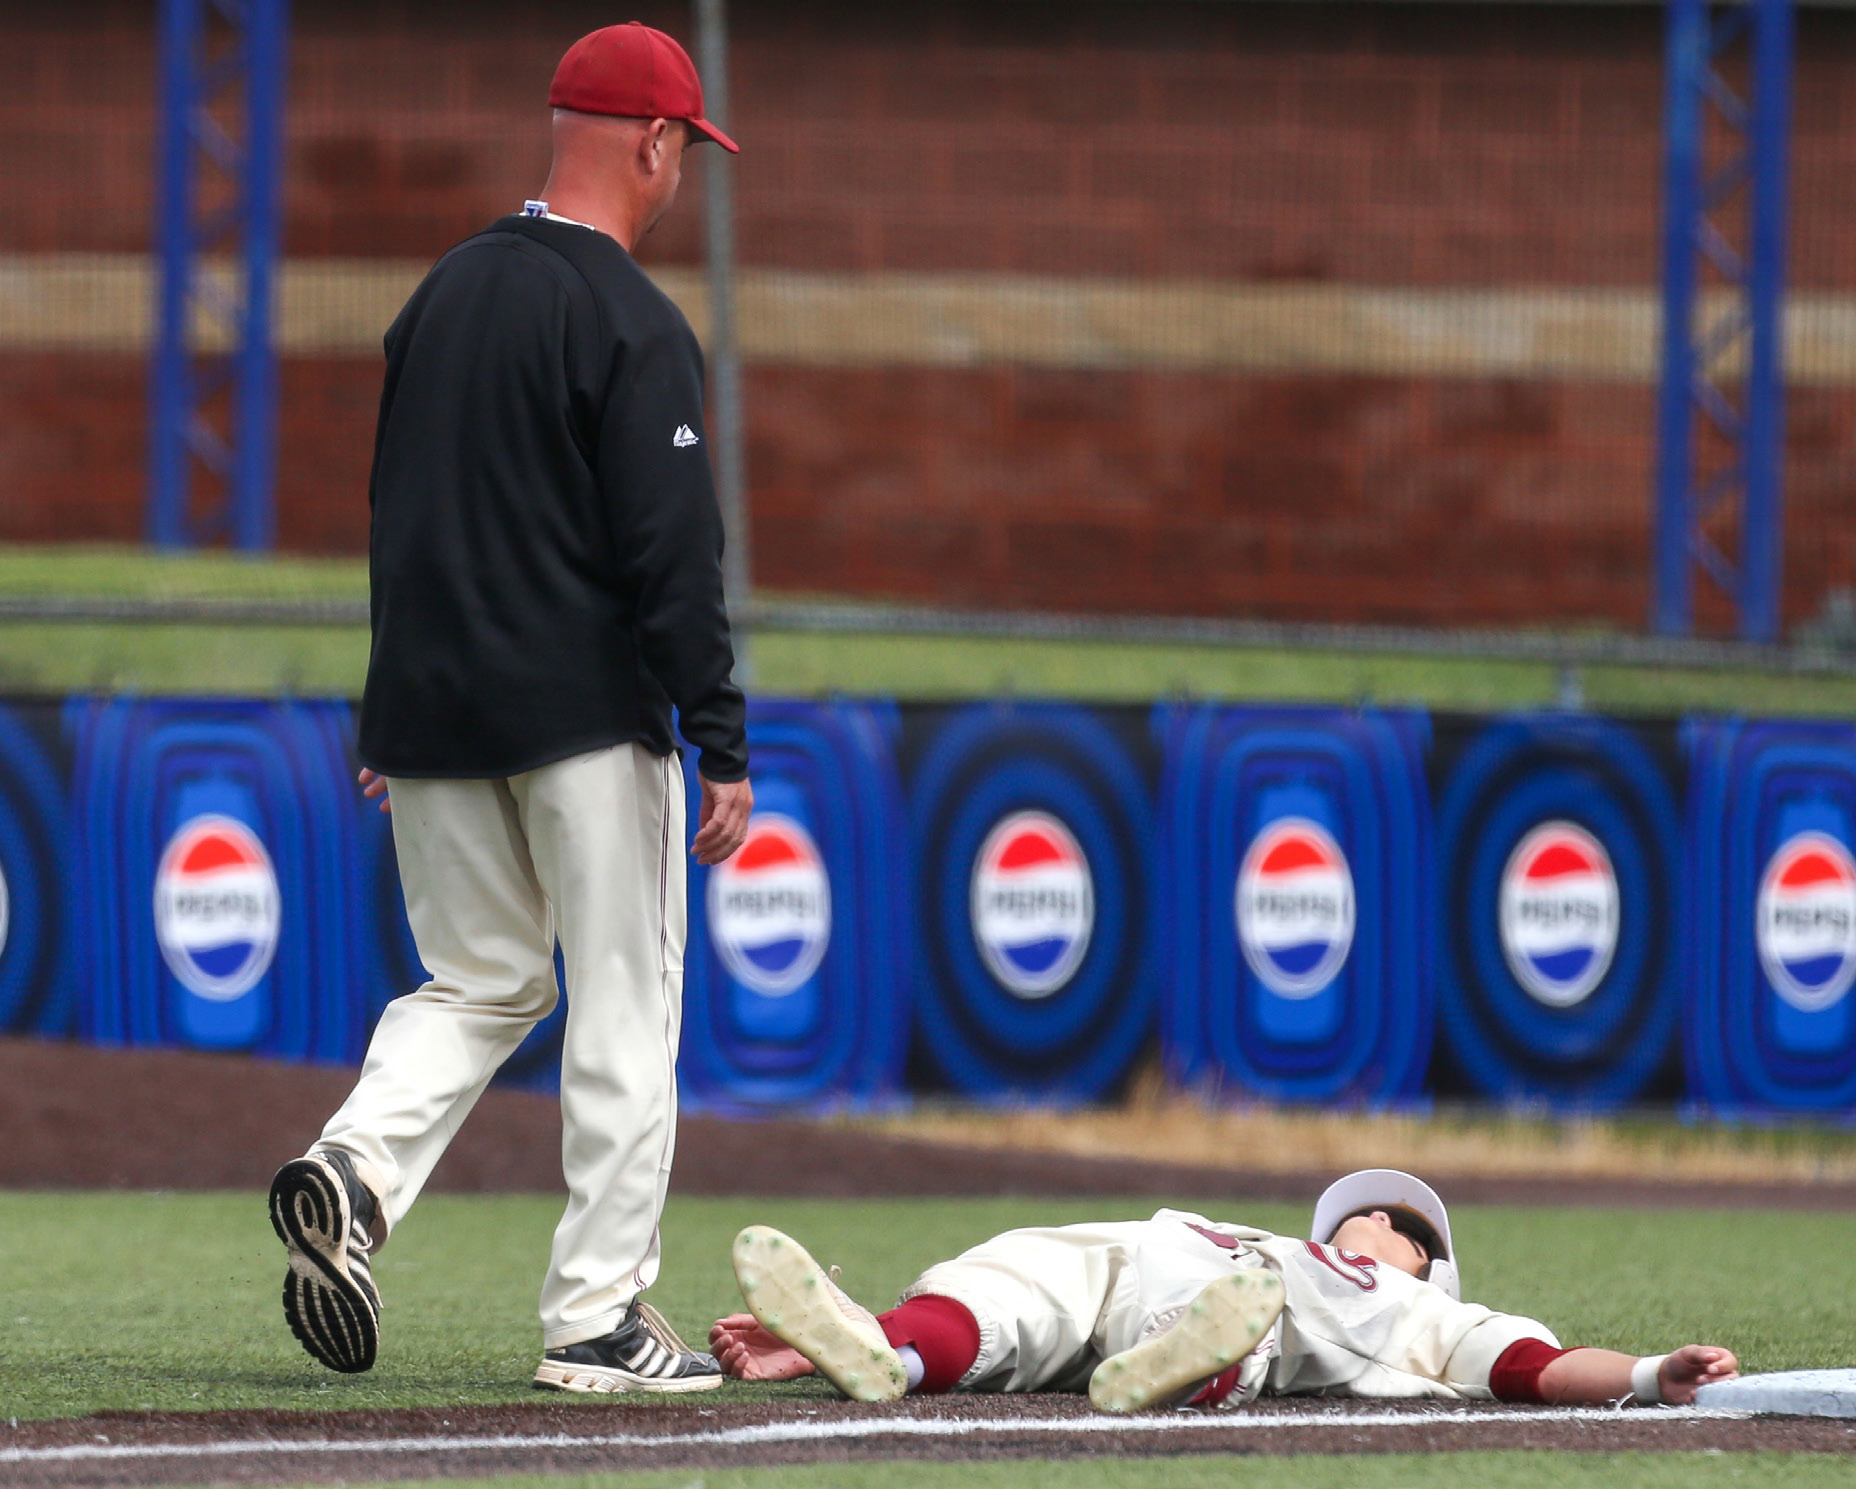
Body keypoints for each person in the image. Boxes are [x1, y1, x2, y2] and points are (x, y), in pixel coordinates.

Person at [267, 22, 750, 1395]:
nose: (679, 179)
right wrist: (717, 735)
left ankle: (352, 1174)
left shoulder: (439, 296)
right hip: (583, 721)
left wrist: (388, 706)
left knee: (476, 979)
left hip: (433, 711)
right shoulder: (632, 321)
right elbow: (673, 558)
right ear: (655, 143)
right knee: (618, 1004)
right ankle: (596, 1319)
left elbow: (394, 514)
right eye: (682, 155)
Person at [710, 1169, 1741, 1414]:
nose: (1383, 1221)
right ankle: (878, 1350)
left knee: (1232, 1327)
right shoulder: (1243, 1231)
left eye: (1412, 1227)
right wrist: (814, 1341)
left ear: (1431, 1264)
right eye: (1373, 1207)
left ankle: (1194, 1365)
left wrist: (1652, 1372)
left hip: (1247, 1312)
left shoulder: (1423, 1311)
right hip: (1125, 1259)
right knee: (1002, 1287)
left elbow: (1529, 1366)